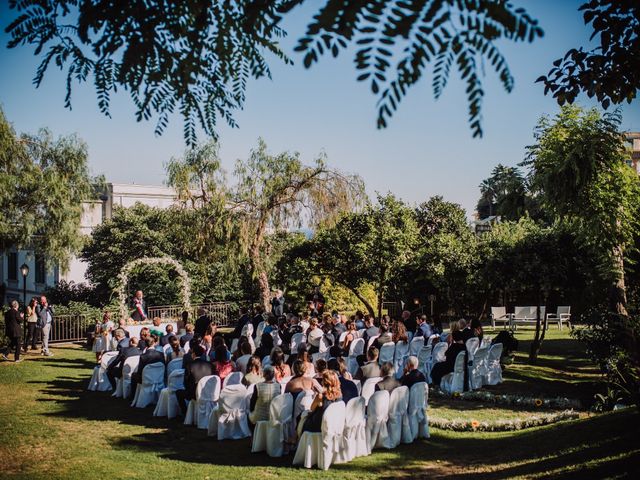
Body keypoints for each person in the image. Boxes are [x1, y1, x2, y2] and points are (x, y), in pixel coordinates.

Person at [176, 344, 214, 415]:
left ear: (193, 354)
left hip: (194, 393)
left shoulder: (189, 365)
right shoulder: (210, 365)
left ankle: (185, 413)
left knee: (178, 393)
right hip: (208, 392)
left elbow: (186, 383)